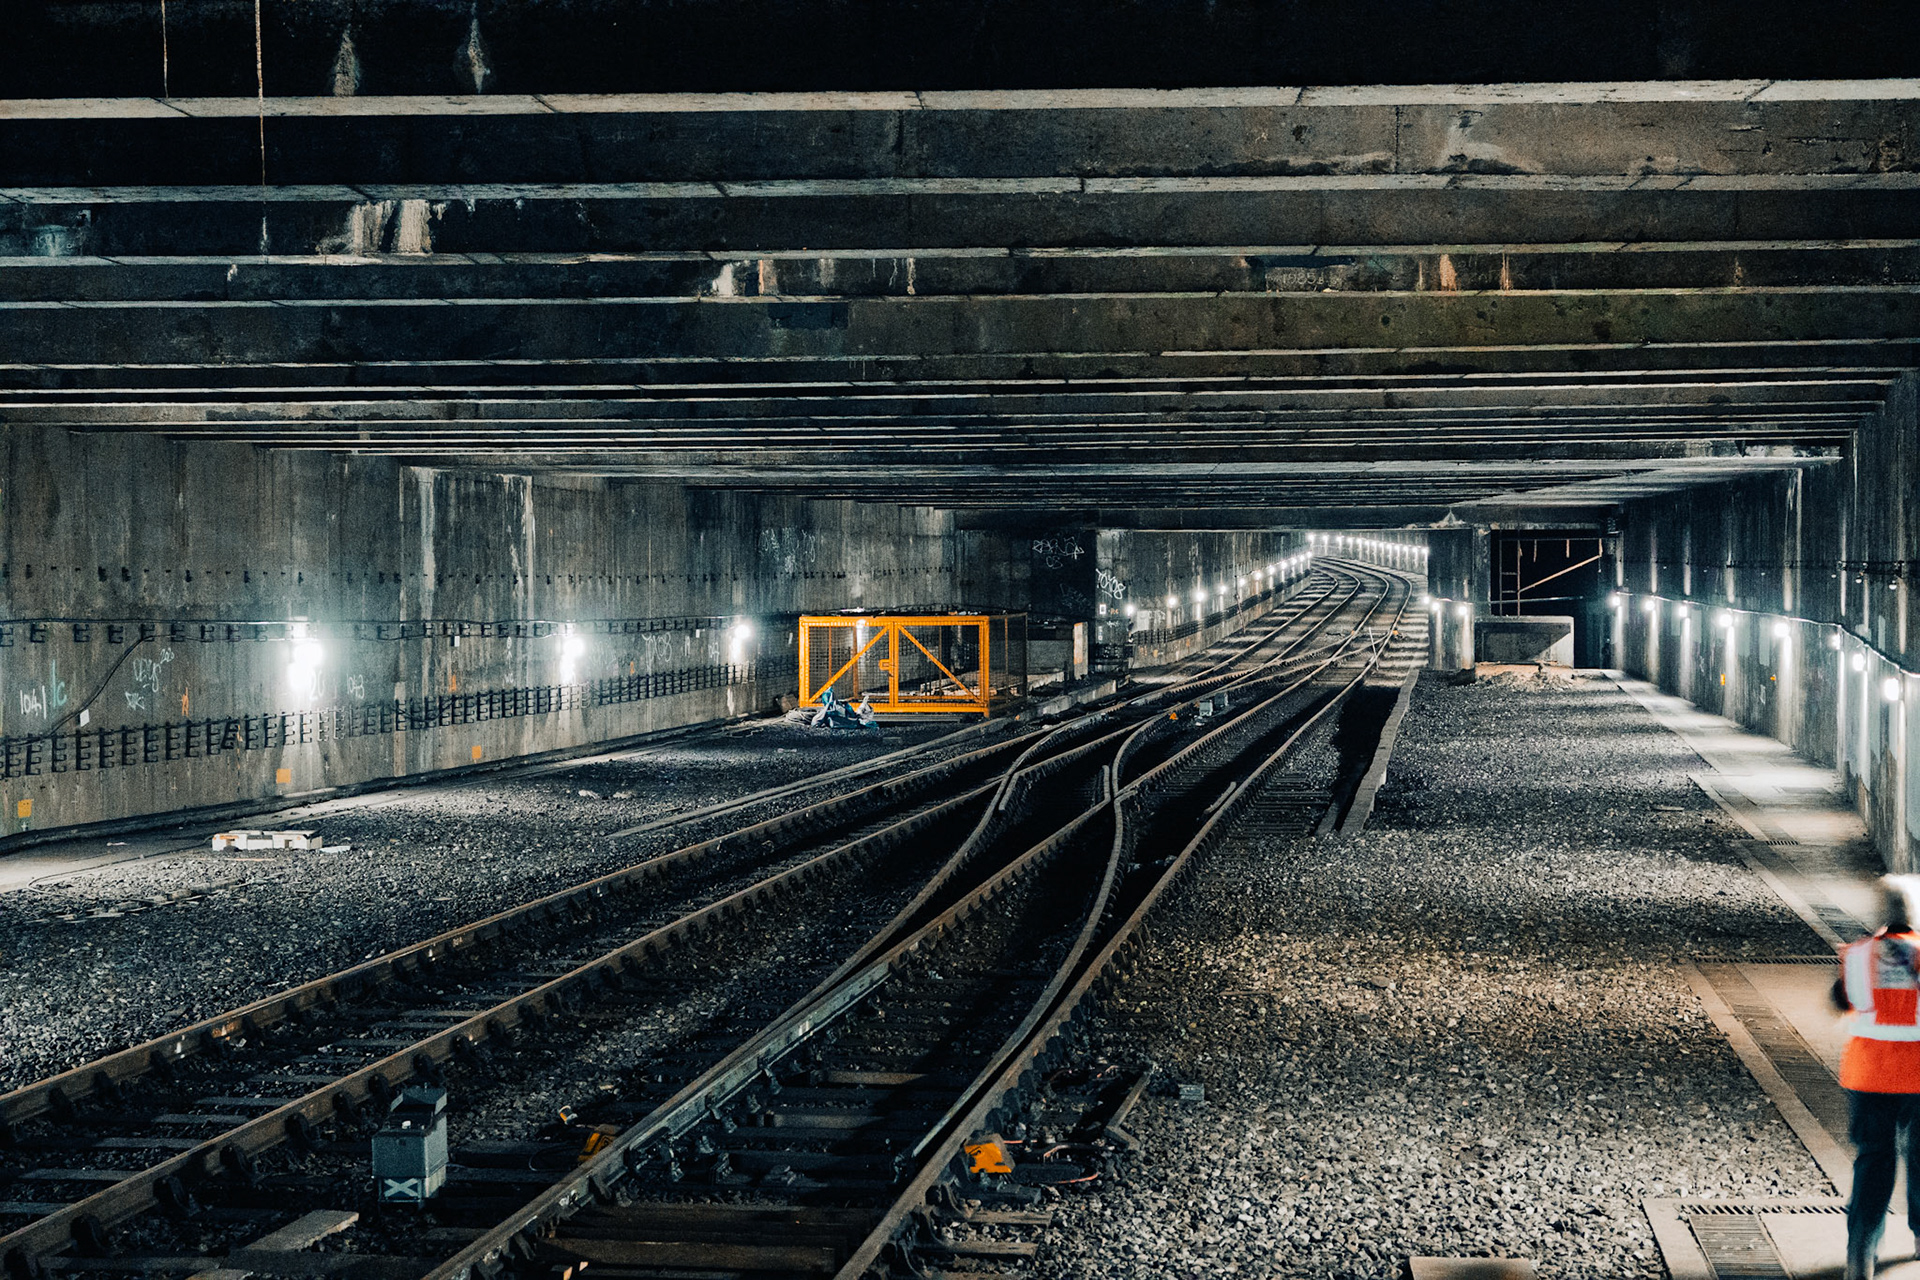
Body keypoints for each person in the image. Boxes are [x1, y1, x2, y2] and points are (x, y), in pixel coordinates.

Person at [1833, 875, 1920, 1279]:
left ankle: (1861, 1254)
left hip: (1869, 1076)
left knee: (1873, 1160)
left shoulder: (1856, 955)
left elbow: (1840, 1001)